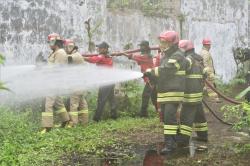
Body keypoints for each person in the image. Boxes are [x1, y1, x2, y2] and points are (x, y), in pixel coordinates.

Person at [145, 31, 188, 155]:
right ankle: (178, 140)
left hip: (173, 93)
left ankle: (170, 145)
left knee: (169, 118)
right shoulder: (166, 56)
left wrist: (151, 71)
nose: (161, 44)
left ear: (172, 43)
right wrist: (151, 76)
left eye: (164, 42)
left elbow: (167, 70)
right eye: (161, 42)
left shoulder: (177, 55)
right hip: (164, 93)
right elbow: (161, 75)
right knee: (167, 118)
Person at [177, 40, 208, 146]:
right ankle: (203, 136)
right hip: (198, 94)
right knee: (199, 116)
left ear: (184, 48)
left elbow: (179, 70)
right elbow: (205, 73)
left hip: (189, 95)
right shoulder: (199, 58)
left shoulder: (188, 59)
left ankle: (183, 140)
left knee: (186, 117)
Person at [41, 33, 70, 134]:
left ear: (54, 42)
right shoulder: (56, 52)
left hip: (54, 81)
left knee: (48, 103)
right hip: (53, 80)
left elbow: (58, 68)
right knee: (58, 103)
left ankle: (47, 127)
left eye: (50, 42)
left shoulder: (60, 53)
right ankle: (66, 121)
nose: (49, 44)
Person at [122, 40, 157, 117]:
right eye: (140, 46)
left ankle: (143, 115)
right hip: (150, 79)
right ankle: (159, 112)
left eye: (142, 46)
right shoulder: (146, 56)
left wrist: (121, 53)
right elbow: (139, 60)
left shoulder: (145, 56)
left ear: (146, 47)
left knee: (146, 96)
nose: (140, 48)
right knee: (153, 97)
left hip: (151, 79)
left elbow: (131, 56)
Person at [84, 42, 117, 122]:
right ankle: (114, 116)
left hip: (105, 82)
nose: (98, 49)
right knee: (111, 99)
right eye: (98, 48)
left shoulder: (102, 56)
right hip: (111, 81)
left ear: (105, 49)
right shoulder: (108, 57)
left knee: (101, 100)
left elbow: (92, 60)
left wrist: (81, 57)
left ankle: (96, 118)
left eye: (100, 48)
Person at [64, 39, 89, 126]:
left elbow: (68, 59)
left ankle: (73, 123)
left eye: (66, 47)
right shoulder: (77, 55)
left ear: (70, 47)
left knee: (73, 104)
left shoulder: (75, 56)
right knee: (82, 104)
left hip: (76, 85)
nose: (66, 49)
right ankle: (84, 122)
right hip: (81, 84)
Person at [200, 38, 221, 102]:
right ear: (207, 45)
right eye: (209, 45)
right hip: (208, 73)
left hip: (204, 72)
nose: (210, 46)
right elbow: (205, 63)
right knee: (210, 87)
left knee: (204, 86)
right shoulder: (206, 53)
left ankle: (201, 97)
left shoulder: (202, 52)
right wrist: (209, 74)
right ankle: (214, 99)